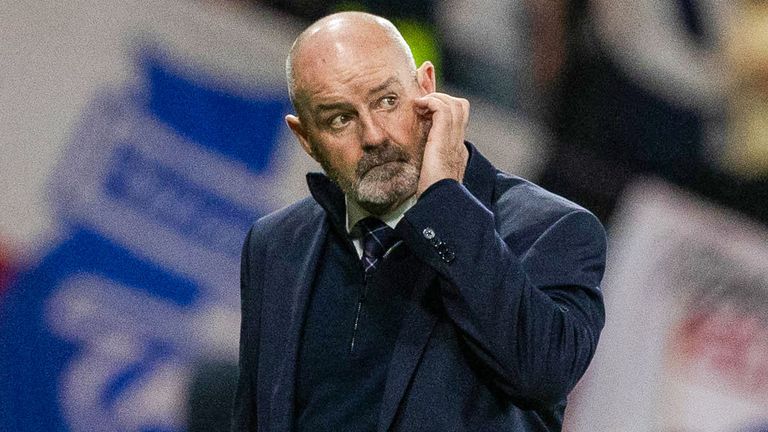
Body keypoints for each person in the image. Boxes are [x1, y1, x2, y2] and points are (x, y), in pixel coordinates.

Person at [231, 11, 606, 432]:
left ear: (426, 88)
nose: (373, 135)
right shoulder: (277, 243)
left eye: (386, 101)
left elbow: (543, 374)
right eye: (341, 118)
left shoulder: (551, 229)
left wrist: (445, 201)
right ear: (306, 138)